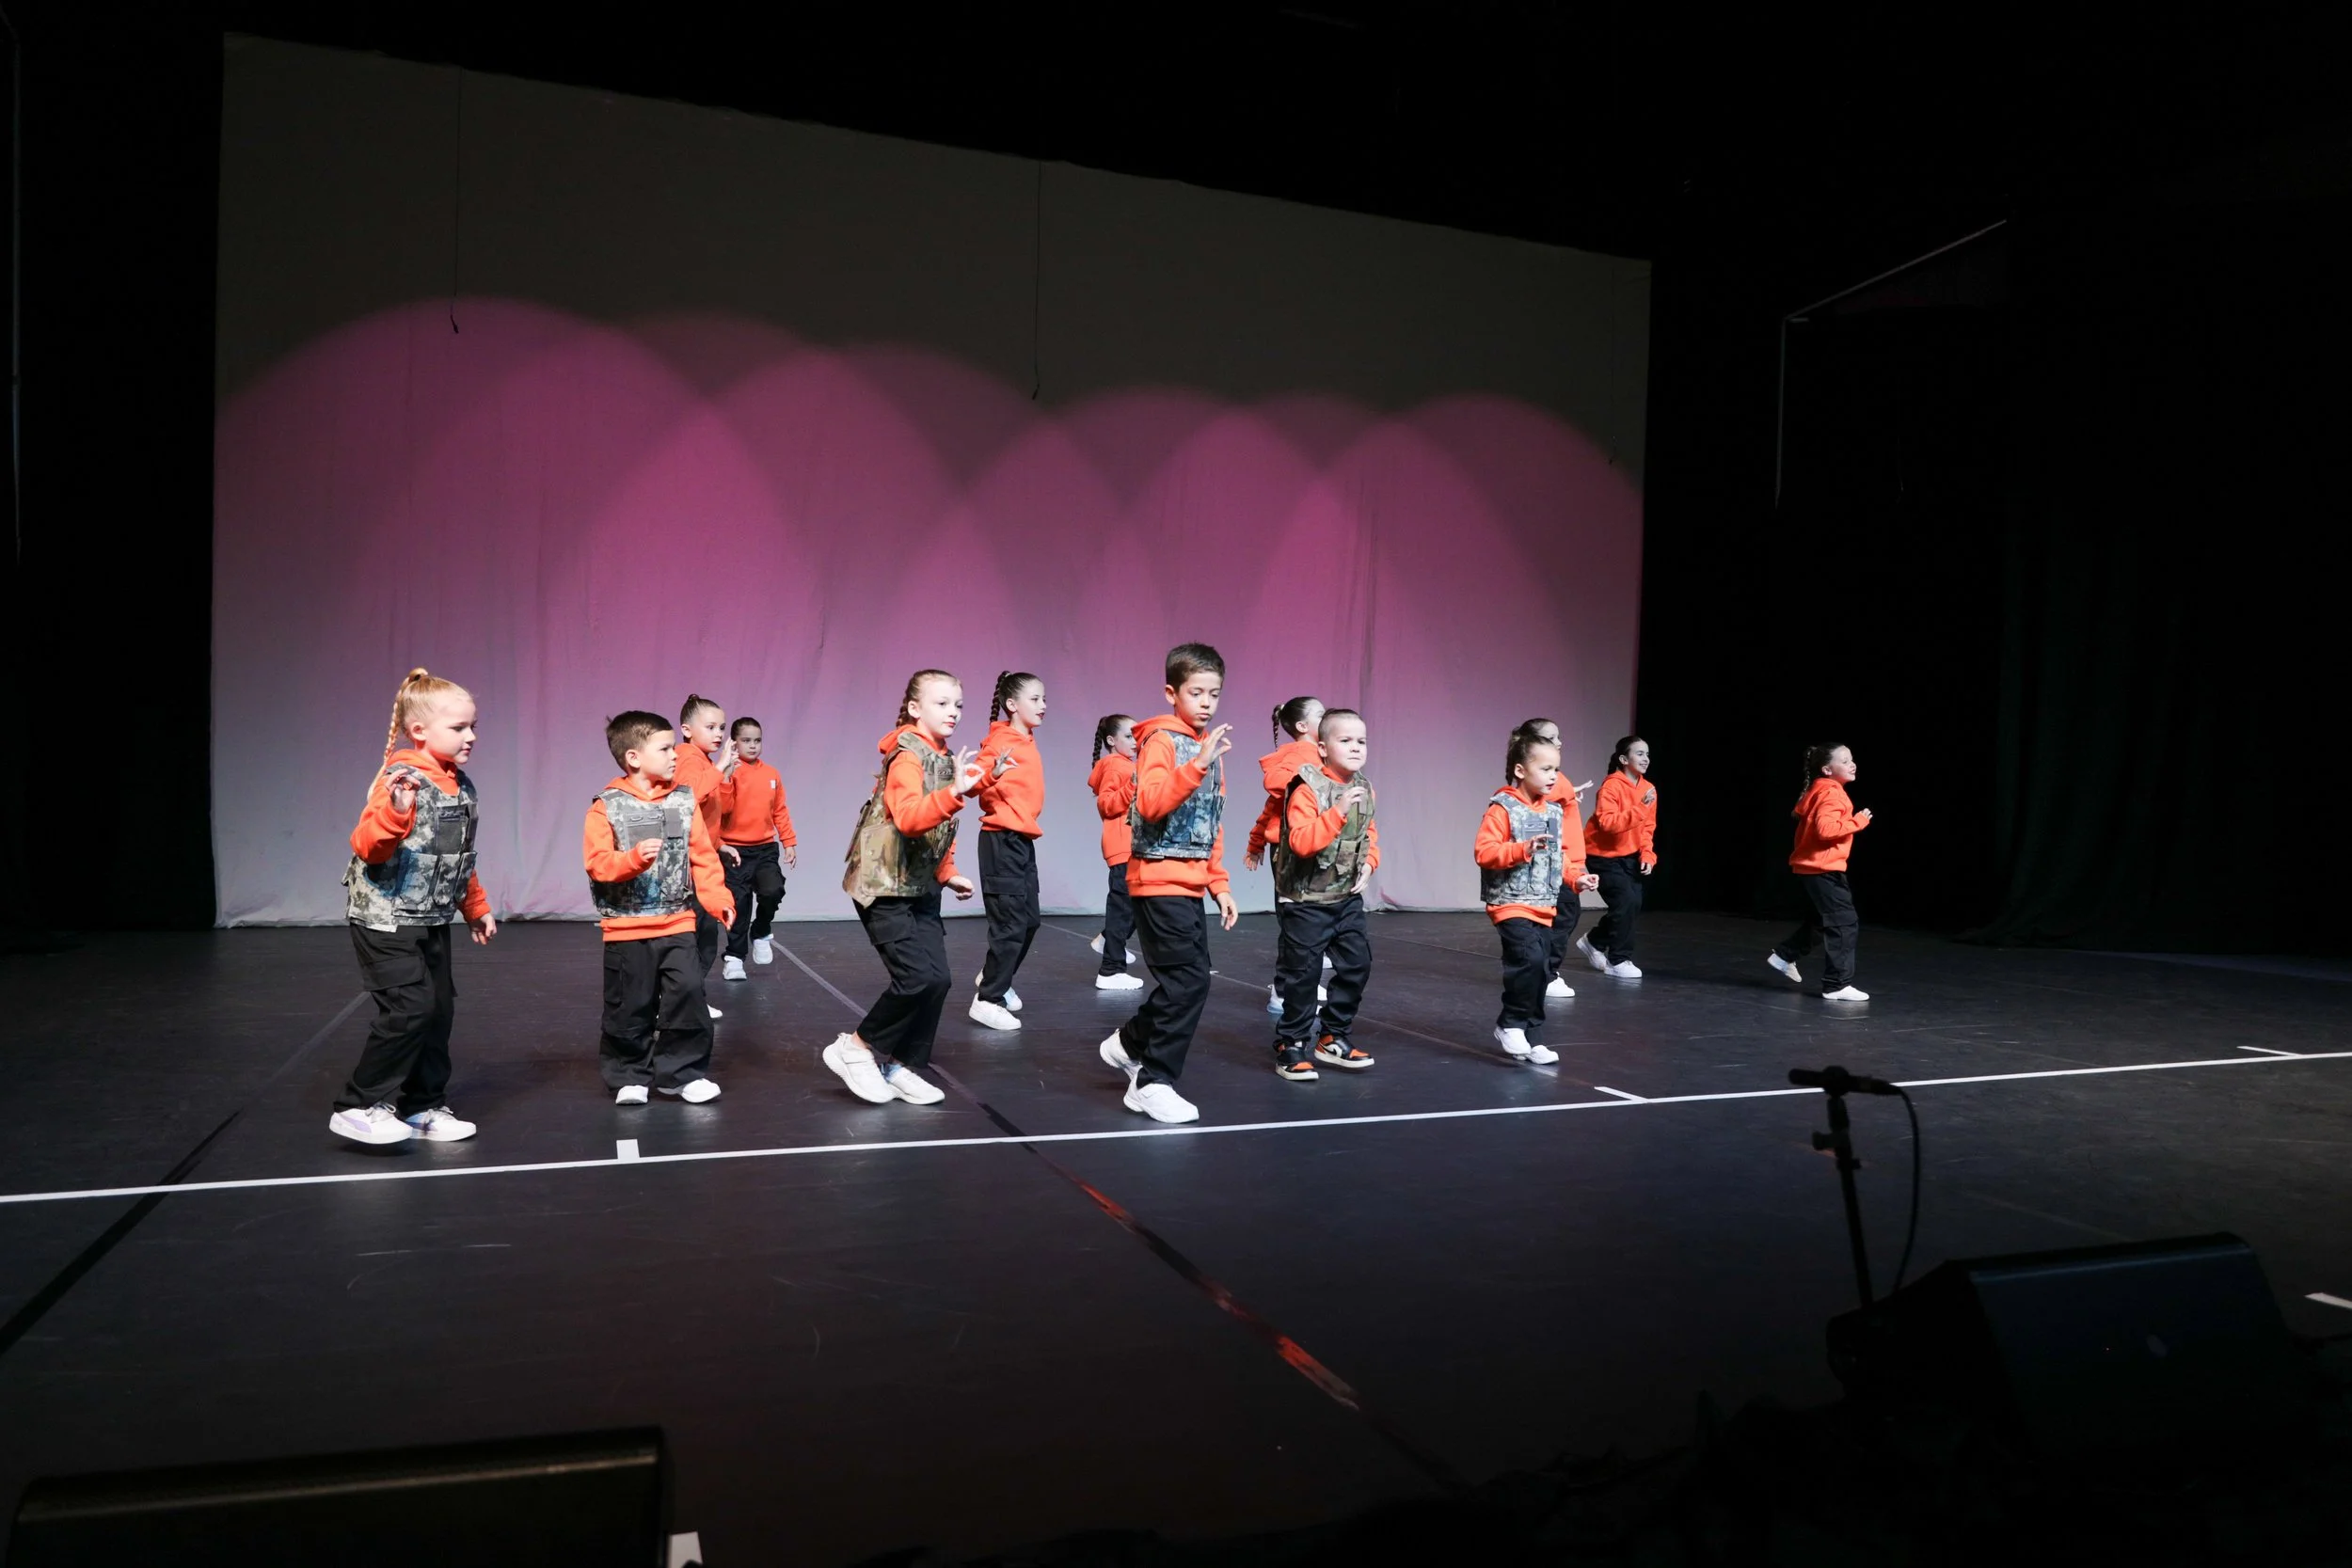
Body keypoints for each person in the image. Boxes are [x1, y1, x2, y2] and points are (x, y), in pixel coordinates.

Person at [331, 668, 498, 1146]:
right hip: (385, 918)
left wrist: (475, 906)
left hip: (429, 917)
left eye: (473, 726)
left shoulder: (460, 785)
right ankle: (357, 1105)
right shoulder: (400, 781)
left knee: (437, 1012)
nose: (470, 736)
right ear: (419, 731)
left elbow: (456, 857)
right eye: (459, 727)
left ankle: (422, 1105)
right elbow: (368, 847)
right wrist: (397, 812)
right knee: (410, 1009)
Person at [825, 670, 985, 1106]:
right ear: (915, 708)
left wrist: (947, 872)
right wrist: (955, 792)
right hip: (883, 886)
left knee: (939, 980)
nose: (953, 712)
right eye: (942, 703)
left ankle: (900, 1065)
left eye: (958, 705)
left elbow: (940, 829)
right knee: (916, 978)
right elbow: (912, 818)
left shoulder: (943, 756)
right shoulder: (906, 756)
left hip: (919, 886)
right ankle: (854, 1047)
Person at [1096, 643, 1239, 1124]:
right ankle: (1151, 1082)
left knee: (1190, 981)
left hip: (1189, 884)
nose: (1206, 702)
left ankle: (1128, 1044)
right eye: (1196, 692)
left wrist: (1219, 884)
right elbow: (1152, 803)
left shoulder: (1207, 745)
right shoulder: (1161, 741)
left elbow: (1210, 821)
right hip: (1157, 881)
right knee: (1187, 982)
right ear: (1171, 693)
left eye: (1213, 693)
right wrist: (1196, 764)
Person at [584, 710, 735, 1104]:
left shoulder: (683, 800)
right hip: (627, 929)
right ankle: (629, 1074)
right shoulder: (607, 806)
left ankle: (681, 1073)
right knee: (630, 1004)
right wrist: (633, 859)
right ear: (634, 757)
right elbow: (598, 864)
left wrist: (718, 900)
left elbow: (702, 857)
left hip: (677, 922)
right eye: (665, 749)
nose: (675, 755)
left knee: (688, 996)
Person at [1268, 708, 1379, 1081]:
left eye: (1361, 741)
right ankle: (1291, 1043)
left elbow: (1368, 832)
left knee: (1357, 965)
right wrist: (1338, 811)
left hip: (1345, 899)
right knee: (1304, 975)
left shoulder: (1364, 786)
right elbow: (1301, 842)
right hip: (1306, 903)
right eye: (1345, 740)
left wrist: (1370, 863)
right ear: (1322, 748)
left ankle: (1333, 1036)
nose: (1355, 747)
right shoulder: (1307, 788)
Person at [1474, 729, 1569, 1065]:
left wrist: (1576, 877)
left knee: (1542, 969)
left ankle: (1533, 1035)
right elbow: (1485, 852)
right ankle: (1510, 1023)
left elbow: (1559, 856)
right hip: (1510, 903)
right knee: (1528, 959)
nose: (1553, 776)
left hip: (1543, 904)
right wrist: (1521, 849)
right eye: (1545, 769)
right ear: (1520, 770)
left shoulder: (1553, 812)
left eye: (1556, 769)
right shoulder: (1503, 808)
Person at [970, 671, 1047, 1030]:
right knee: (1010, 924)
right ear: (1012, 704)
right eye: (1035, 699)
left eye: (1044, 699)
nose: (1043, 706)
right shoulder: (1001, 741)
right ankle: (988, 999)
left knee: (1030, 921)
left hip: (1021, 841)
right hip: (1001, 840)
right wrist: (992, 773)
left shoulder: (1025, 738)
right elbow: (971, 782)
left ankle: (995, 978)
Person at [1771, 744, 1874, 1002]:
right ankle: (1837, 984)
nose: (1852, 764)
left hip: (1814, 867)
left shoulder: (1820, 789)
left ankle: (1784, 955)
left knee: (1822, 919)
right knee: (1844, 923)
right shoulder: (1832, 793)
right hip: (1823, 868)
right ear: (1827, 769)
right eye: (1845, 761)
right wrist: (1858, 821)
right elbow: (1826, 830)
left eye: (1852, 759)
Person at [1246, 695, 1328, 1016]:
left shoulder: (1318, 754)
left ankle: (1300, 982)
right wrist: (1257, 842)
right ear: (1303, 726)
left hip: (1309, 844)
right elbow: (1274, 785)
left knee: (1311, 920)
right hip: (1291, 848)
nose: (1327, 717)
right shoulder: (1298, 754)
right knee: (1297, 922)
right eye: (1320, 714)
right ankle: (1284, 992)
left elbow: (1271, 807)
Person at [1516, 718, 1599, 998]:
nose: (1559, 742)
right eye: (1551, 738)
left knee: (1566, 915)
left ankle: (1544, 972)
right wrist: (1567, 793)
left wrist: (1570, 795)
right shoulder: (1544, 781)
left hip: (1569, 860)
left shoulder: (1556, 780)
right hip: (1558, 860)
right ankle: (1546, 974)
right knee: (1561, 916)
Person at [717, 715, 795, 980]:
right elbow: (722, 808)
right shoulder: (728, 772)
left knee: (773, 890)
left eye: (757, 741)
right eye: (746, 740)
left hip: (765, 848)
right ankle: (734, 957)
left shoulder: (771, 774)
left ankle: (761, 931)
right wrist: (726, 776)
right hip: (734, 850)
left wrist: (788, 841)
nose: (753, 745)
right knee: (738, 904)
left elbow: (779, 810)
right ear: (734, 743)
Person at [675, 694, 737, 1018]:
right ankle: (682, 1002)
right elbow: (687, 799)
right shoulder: (687, 757)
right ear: (687, 730)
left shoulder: (703, 761)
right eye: (710, 727)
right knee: (699, 937)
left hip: (703, 856)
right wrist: (719, 768)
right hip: (690, 863)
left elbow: (712, 812)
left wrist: (720, 843)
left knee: (704, 936)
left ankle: (687, 1000)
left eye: (721, 728)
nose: (718, 734)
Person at [1578, 735, 1656, 979]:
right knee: (1625, 901)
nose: (1646, 758)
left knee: (1633, 903)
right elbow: (1608, 824)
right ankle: (1618, 960)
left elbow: (1647, 827)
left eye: (1647, 754)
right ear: (1623, 759)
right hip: (1601, 856)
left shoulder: (1648, 788)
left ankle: (1595, 941)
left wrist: (1647, 853)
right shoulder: (1611, 786)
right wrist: (1641, 808)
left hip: (1629, 855)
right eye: (1639, 754)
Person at [1087, 714, 1144, 991]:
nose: (1135, 742)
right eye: (1129, 736)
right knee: (1123, 908)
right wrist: (1134, 784)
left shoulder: (1128, 764)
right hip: (1122, 846)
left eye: (1137, 736)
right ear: (1111, 740)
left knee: (1139, 906)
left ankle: (1106, 941)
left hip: (1133, 845)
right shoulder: (1113, 764)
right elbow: (1106, 804)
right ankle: (1111, 970)